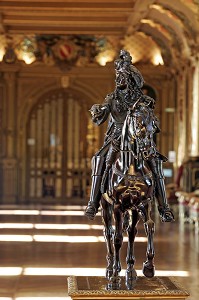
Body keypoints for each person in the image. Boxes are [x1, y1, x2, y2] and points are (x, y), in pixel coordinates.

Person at [85, 50, 174, 223]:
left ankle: (164, 208)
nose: (118, 79)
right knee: (99, 159)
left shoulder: (142, 100)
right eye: (117, 76)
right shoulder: (111, 99)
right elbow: (100, 118)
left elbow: (150, 122)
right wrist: (98, 112)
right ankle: (93, 203)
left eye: (122, 76)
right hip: (116, 138)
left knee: (155, 163)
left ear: (131, 80)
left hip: (139, 140)